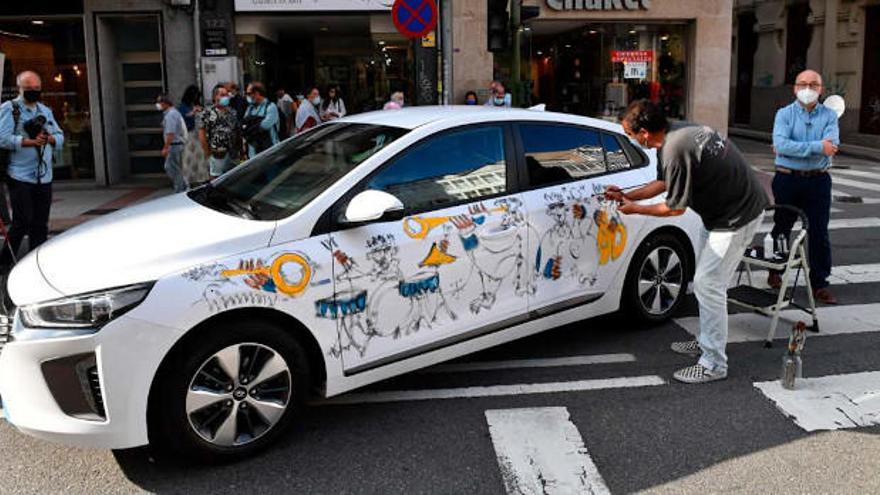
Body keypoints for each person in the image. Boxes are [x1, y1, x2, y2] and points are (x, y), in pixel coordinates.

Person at [605, 100, 769, 384]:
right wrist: (627, 194)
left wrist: (634, 209)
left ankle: (714, 363)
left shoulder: (674, 148)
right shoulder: (674, 135)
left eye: (631, 134)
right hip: (720, 214)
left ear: (644, 132)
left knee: (708, 284)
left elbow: (674, 208)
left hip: (737, 216)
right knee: (705, 282)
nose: (631, 139)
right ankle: (708, 340)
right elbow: (664, 183)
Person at [768, 69, 839, 304]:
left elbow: (832, 144)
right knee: (782, 226)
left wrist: (795, 148)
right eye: (802, 84)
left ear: (821, 89)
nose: (808, 89)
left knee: (819, 232)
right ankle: (774, 271)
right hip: (787, 178)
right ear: (795, 88)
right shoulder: (784, 114)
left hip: (818, 180)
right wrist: (818, 147)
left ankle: (820, 282)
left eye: (813, 84)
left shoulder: (829, 116)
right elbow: (781, 145)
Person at [0, 71, 64, 267]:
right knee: (22, 220)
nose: (34, 92)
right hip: (19, 174)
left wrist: (50, 138)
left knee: (40, 223)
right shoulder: (10, 109)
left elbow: (60, 136)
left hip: (43, 175)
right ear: (20, 88)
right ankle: (5, 261)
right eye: (29, 89)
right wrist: (29, 142)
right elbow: (3, 138)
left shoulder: (45, 111)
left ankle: (36, 261)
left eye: (37, 88)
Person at [194, 84, 240, 183]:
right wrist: (207, 153)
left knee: (232, 178)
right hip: (217, 153)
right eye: (222, 95)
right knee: (216, 180)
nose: (226, 97)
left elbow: (236, 131)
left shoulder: (232, 112)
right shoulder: (207, 113)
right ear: (215, 97)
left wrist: (239, 149)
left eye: (227, 95)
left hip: (232, 153)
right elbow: (202, 134)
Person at [157, 94, 188, 193]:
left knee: (172, 168)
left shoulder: (171, 115)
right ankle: (182, 187)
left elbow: (170, 133)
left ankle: (180, 189)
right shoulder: (173, 113)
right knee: (175, 168)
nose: (158, 105)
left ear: (165, 103)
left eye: (159, 102)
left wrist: (165, 148)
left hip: (174, 145)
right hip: (177, 145)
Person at [242, 82, 279, 159]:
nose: (247, 96)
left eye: (249, 93)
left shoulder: (270, 107)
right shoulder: (250, 108)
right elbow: (244, 125)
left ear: (257, 93)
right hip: (252, 153)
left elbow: (264, 126)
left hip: (269, 152)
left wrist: (250, 127)